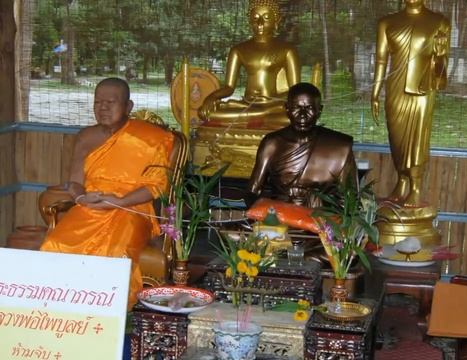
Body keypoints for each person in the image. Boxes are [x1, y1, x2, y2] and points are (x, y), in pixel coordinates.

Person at [40, 77, 174, 310]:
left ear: (128, 107)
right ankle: (62, 311)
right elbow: (74, 183)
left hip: (131, 209)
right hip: (90, 207)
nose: (102, 108)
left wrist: (120, 201)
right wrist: (82, 198)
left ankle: (108, 315)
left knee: (115, 251)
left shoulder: (150, 138)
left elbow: (156, 186)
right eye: (98, 102)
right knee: (55, 243)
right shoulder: (86, 137)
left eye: (110, 102)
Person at [371, 0, 450, 207]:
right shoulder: (387, 23)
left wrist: (440, 55)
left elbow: (442, 70)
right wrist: (375, 93)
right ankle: (402, 180)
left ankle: (415, 186)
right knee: (397, 138)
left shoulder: (439, 22)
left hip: (423, 89)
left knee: (417, 138)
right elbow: (381, 60)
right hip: (395, 89)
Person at [248, 82, 356, 207]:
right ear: (287, 108)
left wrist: (322, 204)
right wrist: (265, 214)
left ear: (319, 110)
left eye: (309, 108)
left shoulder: (339, 146)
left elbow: (350, 201)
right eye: (296, 108)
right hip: (279, 219)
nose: (303, 116)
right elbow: (252, 192)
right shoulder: (272, 144)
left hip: (322, 221)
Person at [198, 0, 301, 130]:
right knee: (206, 114)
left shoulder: (286, 50)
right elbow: (229, 87)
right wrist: (211, 98)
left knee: (289, 118)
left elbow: (296, 91)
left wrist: (272, 101)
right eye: (255, 18)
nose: (260, 23)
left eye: (267, 18)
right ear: (249, 20)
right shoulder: (239, 50)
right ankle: (257, 115)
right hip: (246, 105)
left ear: (277, 20)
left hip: (274, 106)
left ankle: (261, 115)